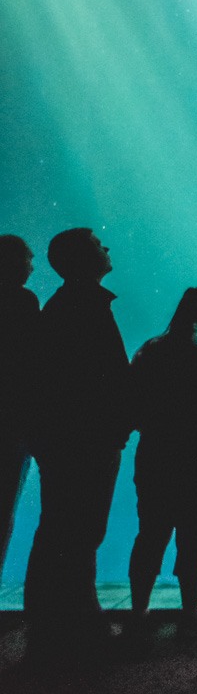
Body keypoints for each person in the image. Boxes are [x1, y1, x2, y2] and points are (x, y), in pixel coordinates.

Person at [22, 228, 133, 667]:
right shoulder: (81, 306)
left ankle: (66, 626)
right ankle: (68, 630)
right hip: (84, 441)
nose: (107, 247)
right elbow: (91, 380)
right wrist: (117, 421)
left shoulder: (72, 304)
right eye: (98, 243)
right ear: (83, 258)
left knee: (68, 530)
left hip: (76, 440)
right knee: (74, 530)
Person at [125, 287, 197, 646]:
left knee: (150, 532)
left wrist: (151, 427)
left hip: (155, 449)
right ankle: (190, 615)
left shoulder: (151, 347)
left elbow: (131, 396)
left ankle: (139, 614)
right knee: (195, 533)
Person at [0, 235, 39, 577]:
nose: (31, 266)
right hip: (13, 424)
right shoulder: (23, 301)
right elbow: (33, 363)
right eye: (27, 259)